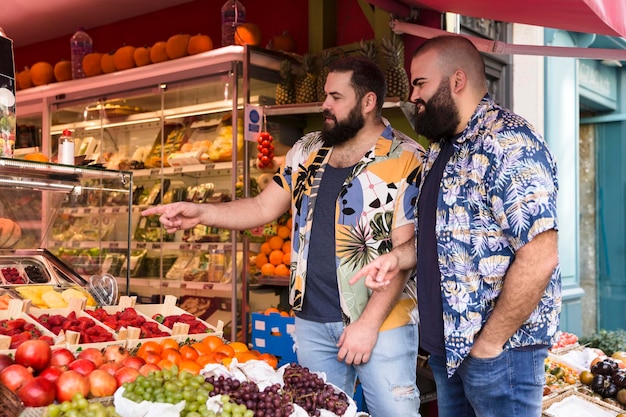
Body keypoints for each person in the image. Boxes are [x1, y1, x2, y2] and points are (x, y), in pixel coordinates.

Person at [142, 55, 424, 417]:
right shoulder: (307, 151)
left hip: (381, 323)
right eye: (326, 94)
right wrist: (202, 213)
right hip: (311, 323)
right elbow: (262, 207)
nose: (325, 104)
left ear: (368, 102)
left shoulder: (407, 159)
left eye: (336, 97)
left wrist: (367, 325)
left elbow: (406, 251)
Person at [350, 35, 561, 417]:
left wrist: (489, 344)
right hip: (447, 352)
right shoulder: (441, 148)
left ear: (457, 80)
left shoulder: (509, 141)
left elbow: (541, 255)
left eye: (420, 84)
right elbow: (441, 238)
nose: (413, 96)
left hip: (500, 357)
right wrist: (396, 259)